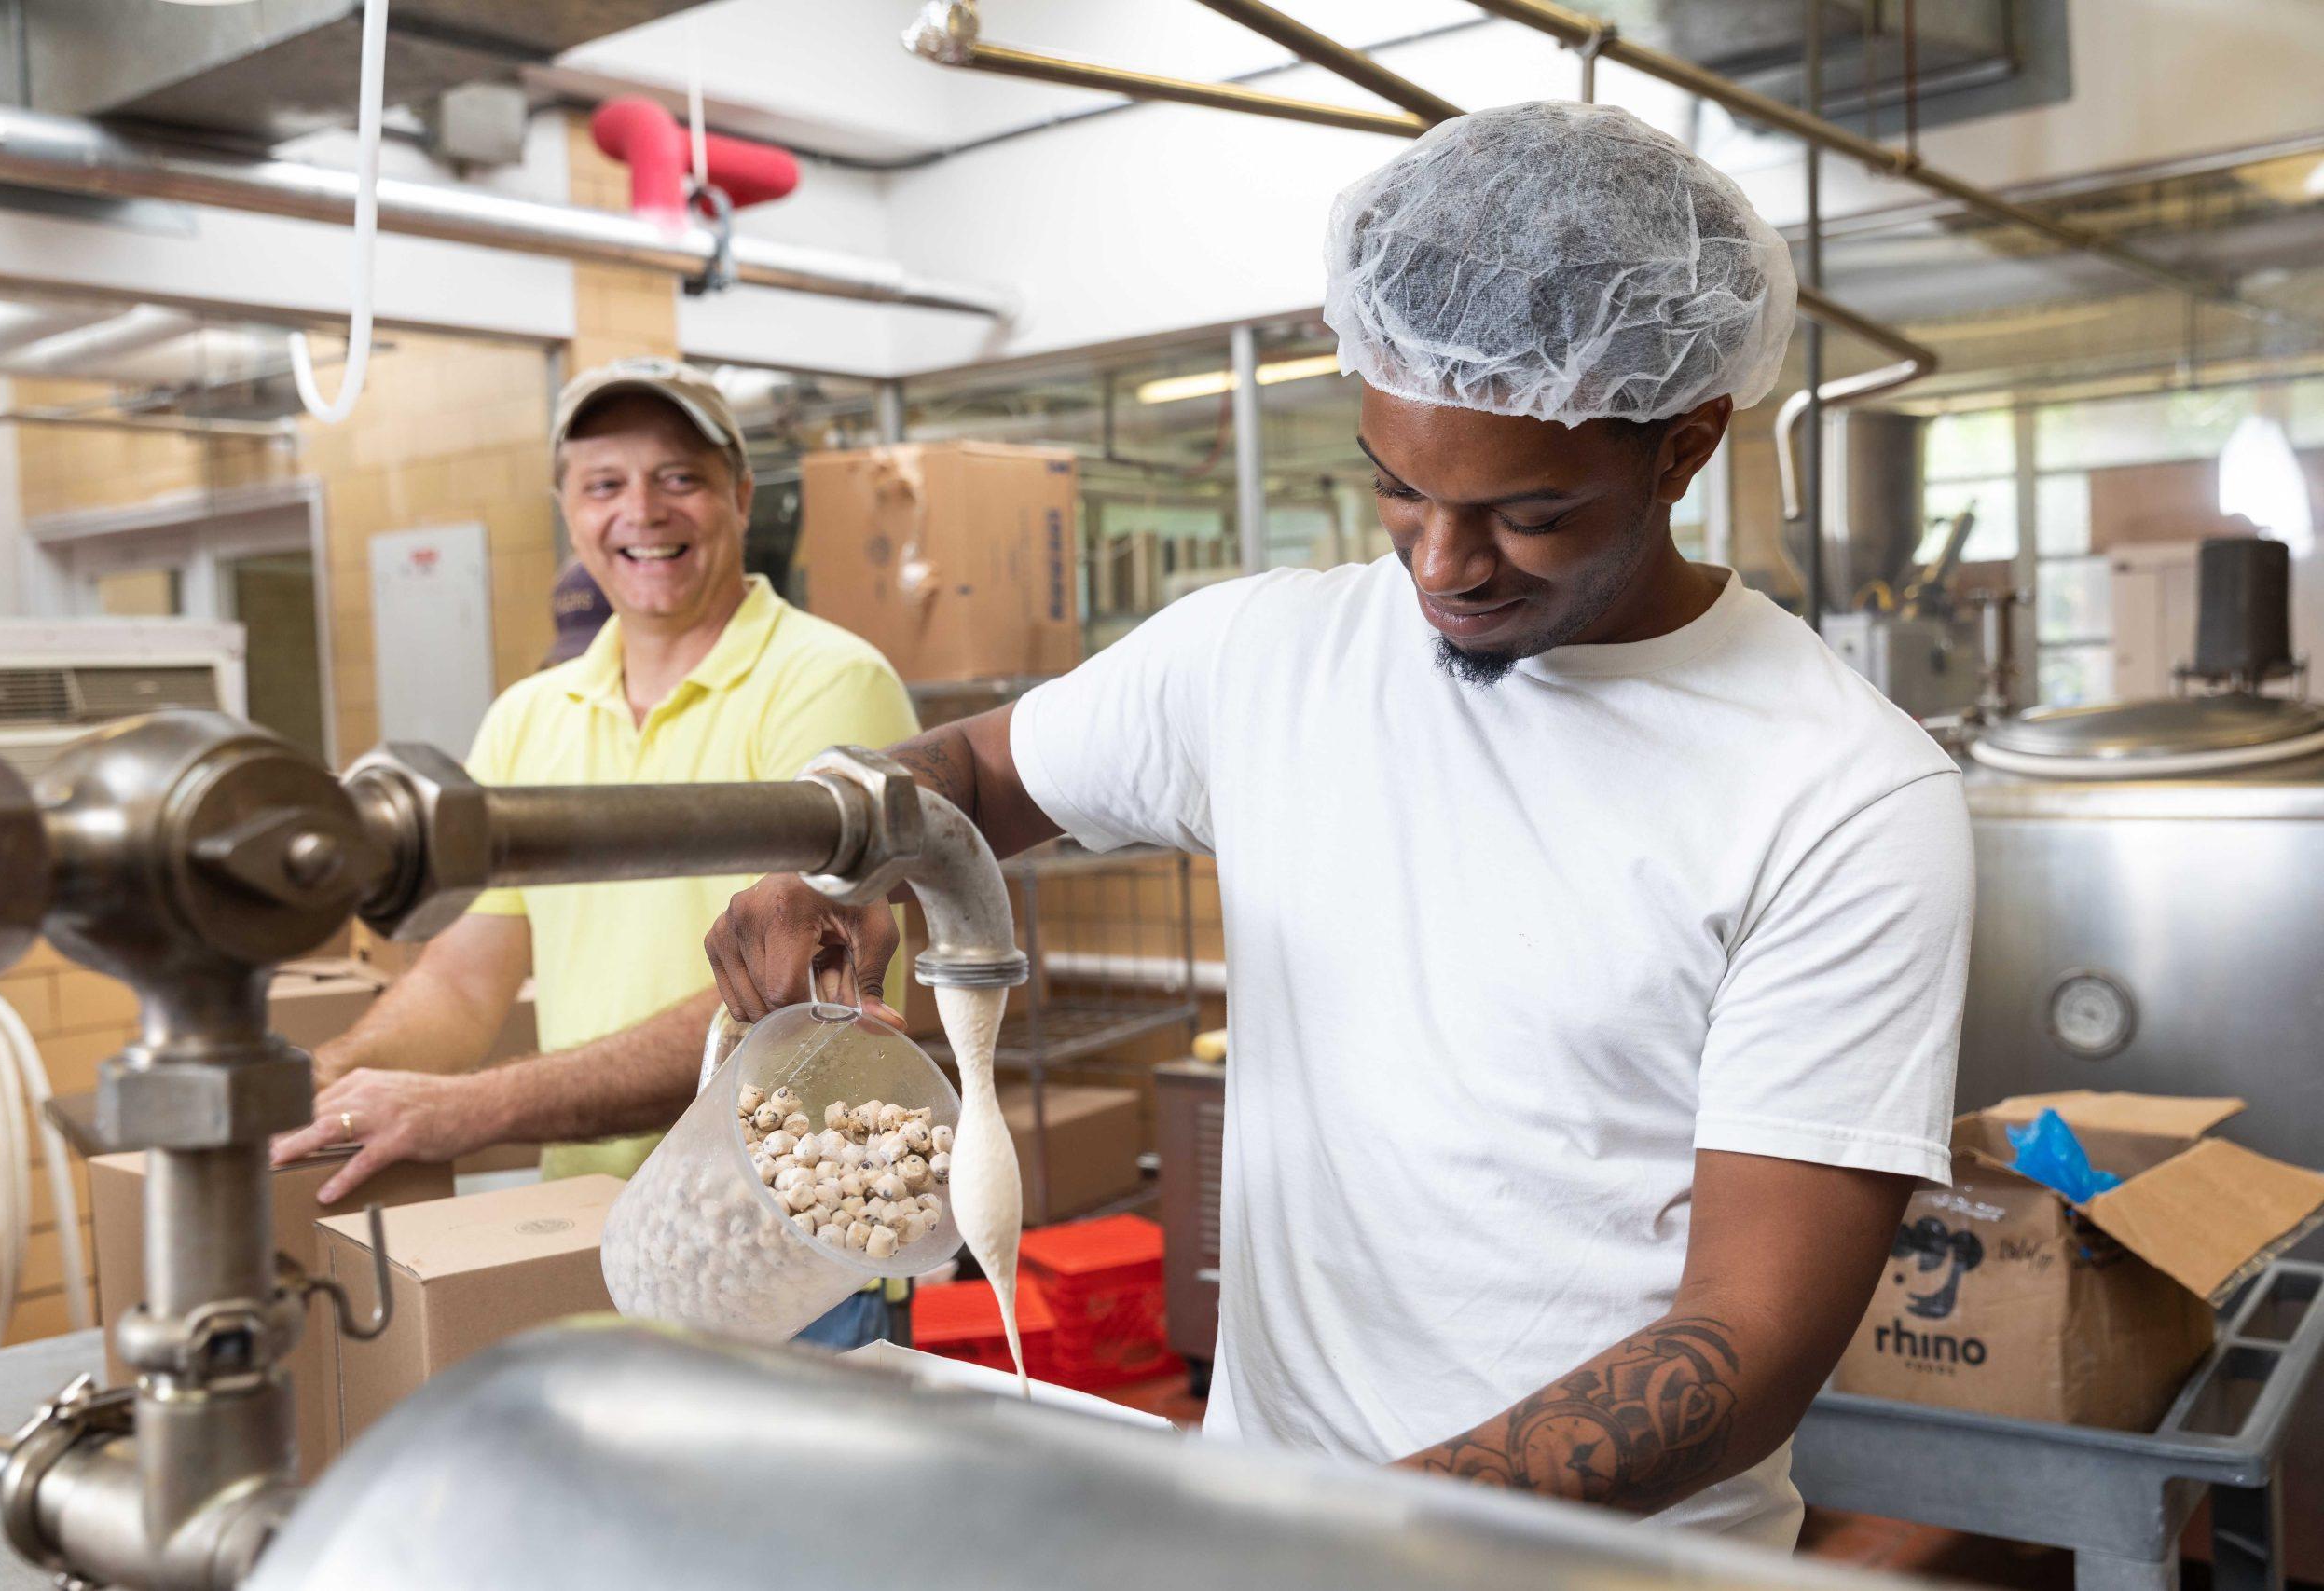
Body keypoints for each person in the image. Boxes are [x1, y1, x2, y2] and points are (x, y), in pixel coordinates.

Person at [700, 103, 1973, 1543]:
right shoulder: (1265, 656)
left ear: (1682, 448)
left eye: (1529, 513)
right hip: (1275, 1526)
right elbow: (978, 777)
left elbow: (1749, 1340)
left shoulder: (1841, 793)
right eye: (1396, 487)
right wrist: (853, 847)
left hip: (1594, 1570)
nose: (1443, 563)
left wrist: (1354, 1530)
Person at [275, 358, 920, 1347]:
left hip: (787, 1252)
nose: (642, 512)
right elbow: (463, 977)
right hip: (598, 1242)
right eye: (604, 484)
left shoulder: (826, 684)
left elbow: (791, 1016)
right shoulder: (529, 717)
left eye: (679, 478)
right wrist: (325, 1082)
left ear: (740, 497)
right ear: (569, 512)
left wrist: (471, 1109)